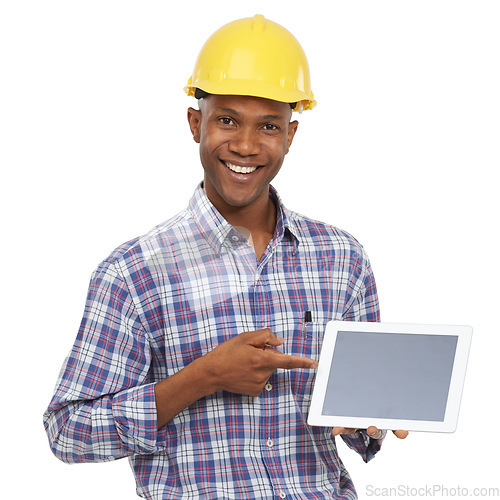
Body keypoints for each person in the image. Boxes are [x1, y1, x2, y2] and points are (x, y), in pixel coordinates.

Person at [44, 14, 407, 499]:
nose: (246, 145)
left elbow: (361, 426)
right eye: (228, 120)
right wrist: (202, 377)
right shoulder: (134, 273)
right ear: (196, 123)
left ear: (290, 136)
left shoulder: (342, 259)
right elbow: (68, 431)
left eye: (269, 126)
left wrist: (374, 420)